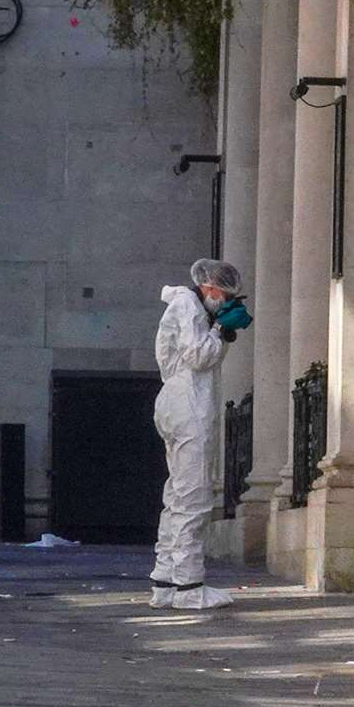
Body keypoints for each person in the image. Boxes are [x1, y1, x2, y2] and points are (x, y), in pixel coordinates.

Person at [149, 258, 250, 610]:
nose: (224, 302)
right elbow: (198, 356)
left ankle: (165, 581)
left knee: (177, 495)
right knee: (194, 497)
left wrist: (218, 328)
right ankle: (189, 586)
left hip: (174, 403)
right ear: (209, 287)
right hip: (189, 405)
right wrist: (221, 331)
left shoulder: (185, 305)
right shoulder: (190, 306)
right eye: (223, 295)